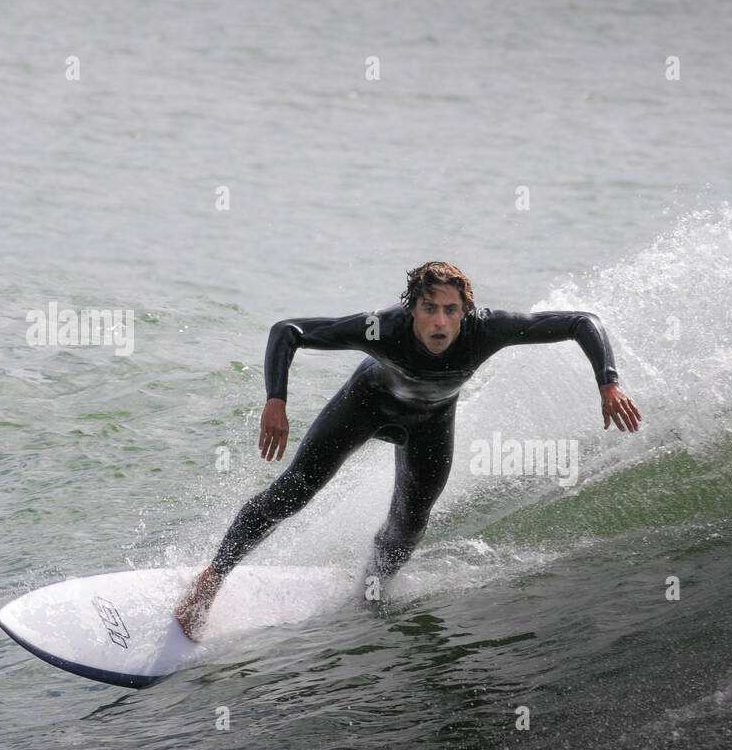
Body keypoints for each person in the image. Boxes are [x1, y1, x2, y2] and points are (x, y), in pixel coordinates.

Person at [174, 261, 641, 640]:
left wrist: (609, 383)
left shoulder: (488, 329)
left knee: (411, 519)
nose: (440, 322)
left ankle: (371, 590)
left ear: (467, 310)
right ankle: (210, 581)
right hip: (365, 406)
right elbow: (287, 330)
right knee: (294, 492)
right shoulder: (383, 330)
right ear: (411, 308)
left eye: (451, 310)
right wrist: (276, 399)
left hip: (431, 423)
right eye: (429, 309)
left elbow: (583, 322)